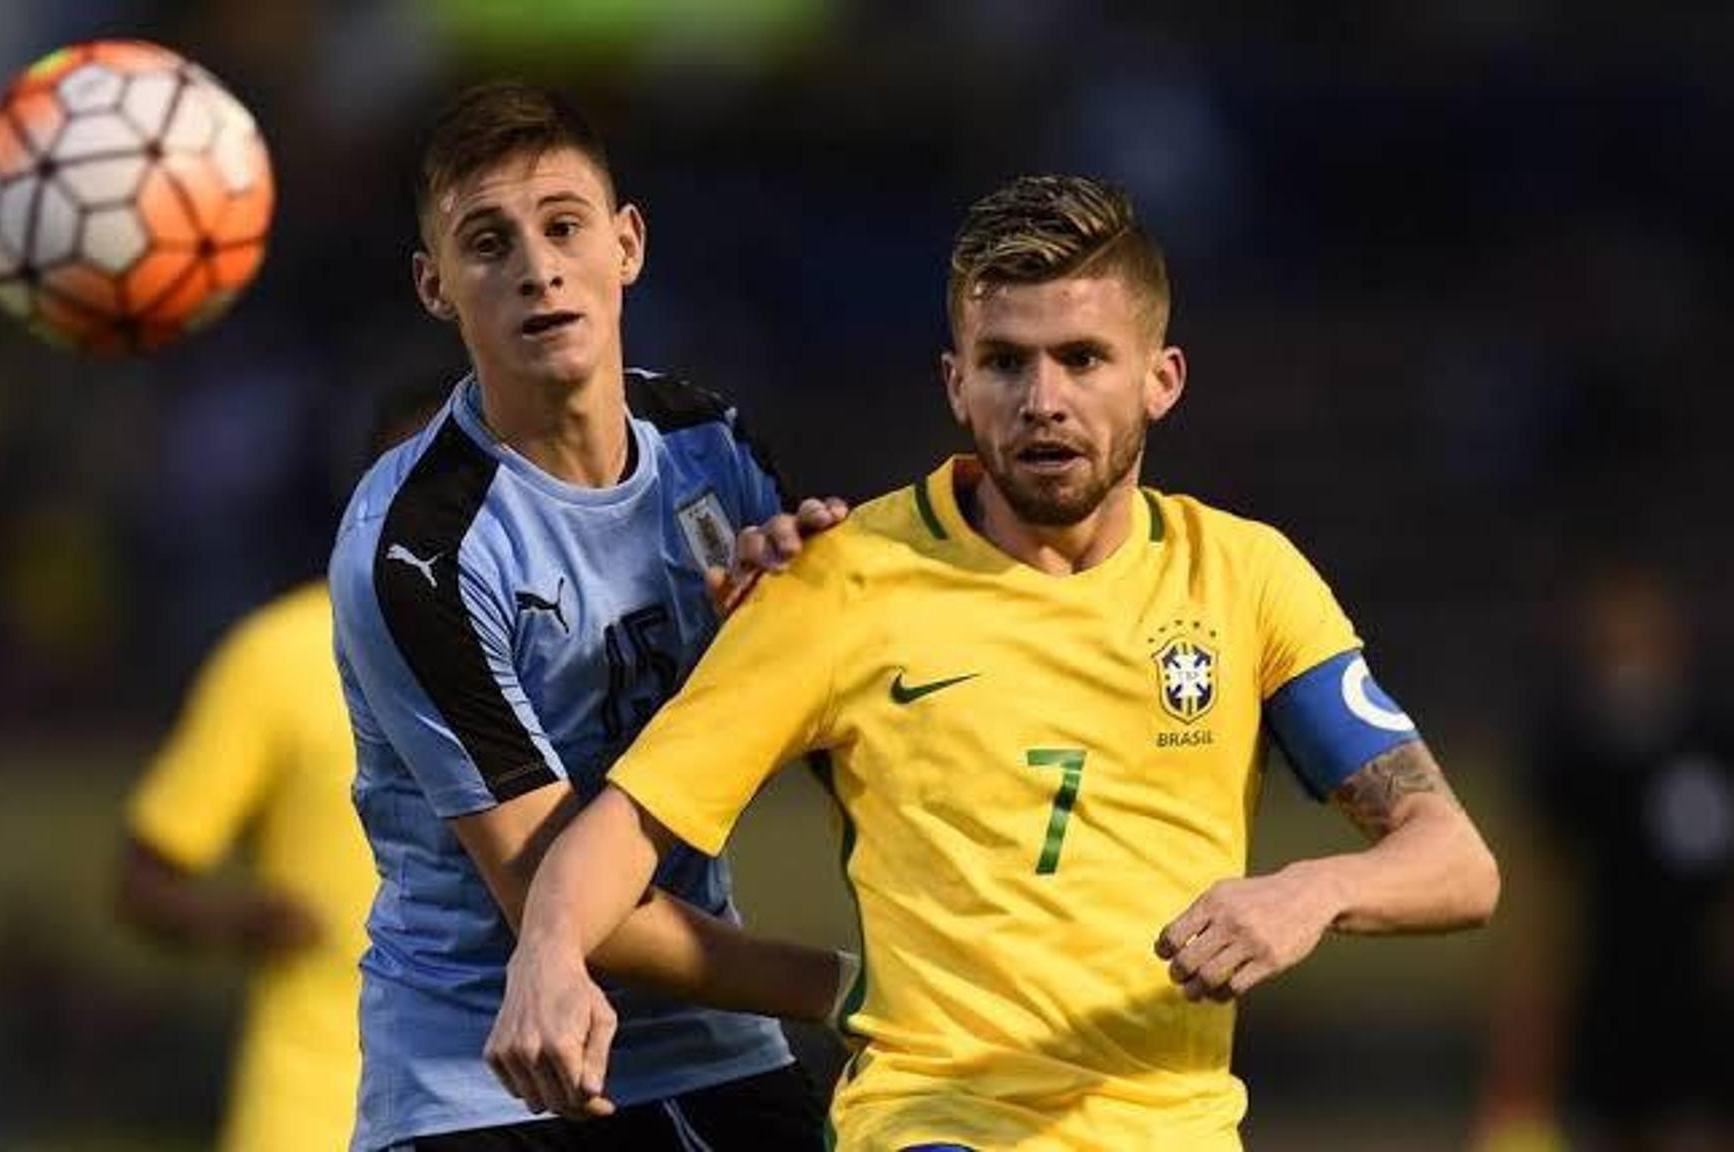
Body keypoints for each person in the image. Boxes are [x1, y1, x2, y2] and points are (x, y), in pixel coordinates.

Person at [487, 173, 1503, 1150]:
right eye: (1007, 362)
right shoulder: (843, 583)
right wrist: (547, 953)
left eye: (1083, 358)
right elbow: (618, 835)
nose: (1044, 399)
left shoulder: (1243, 579)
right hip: (940, 1122)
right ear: (956, 384)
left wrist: (1309, 895)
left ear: (1162, 379)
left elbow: (1456, 863)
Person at [328, 81, 852, 1151]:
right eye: (488, 244)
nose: (536, 267)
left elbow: (831, 740)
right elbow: (559, 906)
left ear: (628, 244)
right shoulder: (416, 549)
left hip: (711, 1042)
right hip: (489, 1062)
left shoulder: (710, 446)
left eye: (563, 226)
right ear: (436, 287)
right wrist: (857, 987)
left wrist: (830, 625)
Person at [115, 377, 446, 1152]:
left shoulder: (557, 654)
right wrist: (239, 920)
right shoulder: (279, 656)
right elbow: (143, 881)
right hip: (313, 1115)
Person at [1477, 561, 1733, 1152]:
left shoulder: (1713, 740)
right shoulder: (1569, 753)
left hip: (1699, 1003)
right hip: (1601, 1004)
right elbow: (1543, 892)